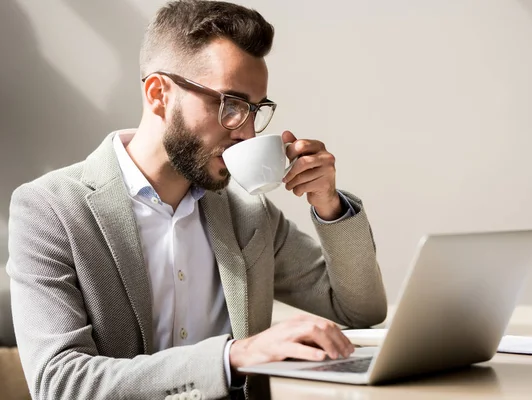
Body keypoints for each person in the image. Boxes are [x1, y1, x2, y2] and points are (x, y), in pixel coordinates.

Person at [6, 1, 387, 399]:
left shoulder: (248, 214)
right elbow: (60, 383)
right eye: (231, 105)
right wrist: (232, 357)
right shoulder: (50, 210)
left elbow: (360, 310)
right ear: (158, 94)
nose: (248, 132)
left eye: (256, 110)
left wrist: (327, 203)